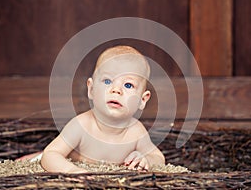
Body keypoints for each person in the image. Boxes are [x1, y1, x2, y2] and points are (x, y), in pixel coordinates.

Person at [21, 45, 165, 173]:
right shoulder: (82, 125)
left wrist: (145, 158)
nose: (116, 90)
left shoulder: (136, 131)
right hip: (73, 163)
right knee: (41, 159)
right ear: (91, 89)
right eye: (107, 81)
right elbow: (51, 154)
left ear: (142, 100)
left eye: (128, 85)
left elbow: (158, 158)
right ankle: (36, 156)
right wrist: (72, 170)